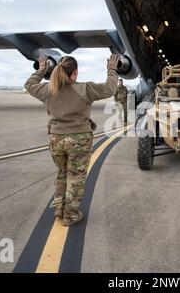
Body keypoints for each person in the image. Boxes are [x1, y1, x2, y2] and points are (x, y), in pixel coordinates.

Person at [24, 54, 120, 226]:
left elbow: (29, 85)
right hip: (79, 140)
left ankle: (59, 210)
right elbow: (110, 89)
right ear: (75, 73)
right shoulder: (85, 89)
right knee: (76, 177)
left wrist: (41, 70)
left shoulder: (48, 90)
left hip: (56, 139)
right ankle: (70, 216)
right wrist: (111, 70)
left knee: (62, 173)